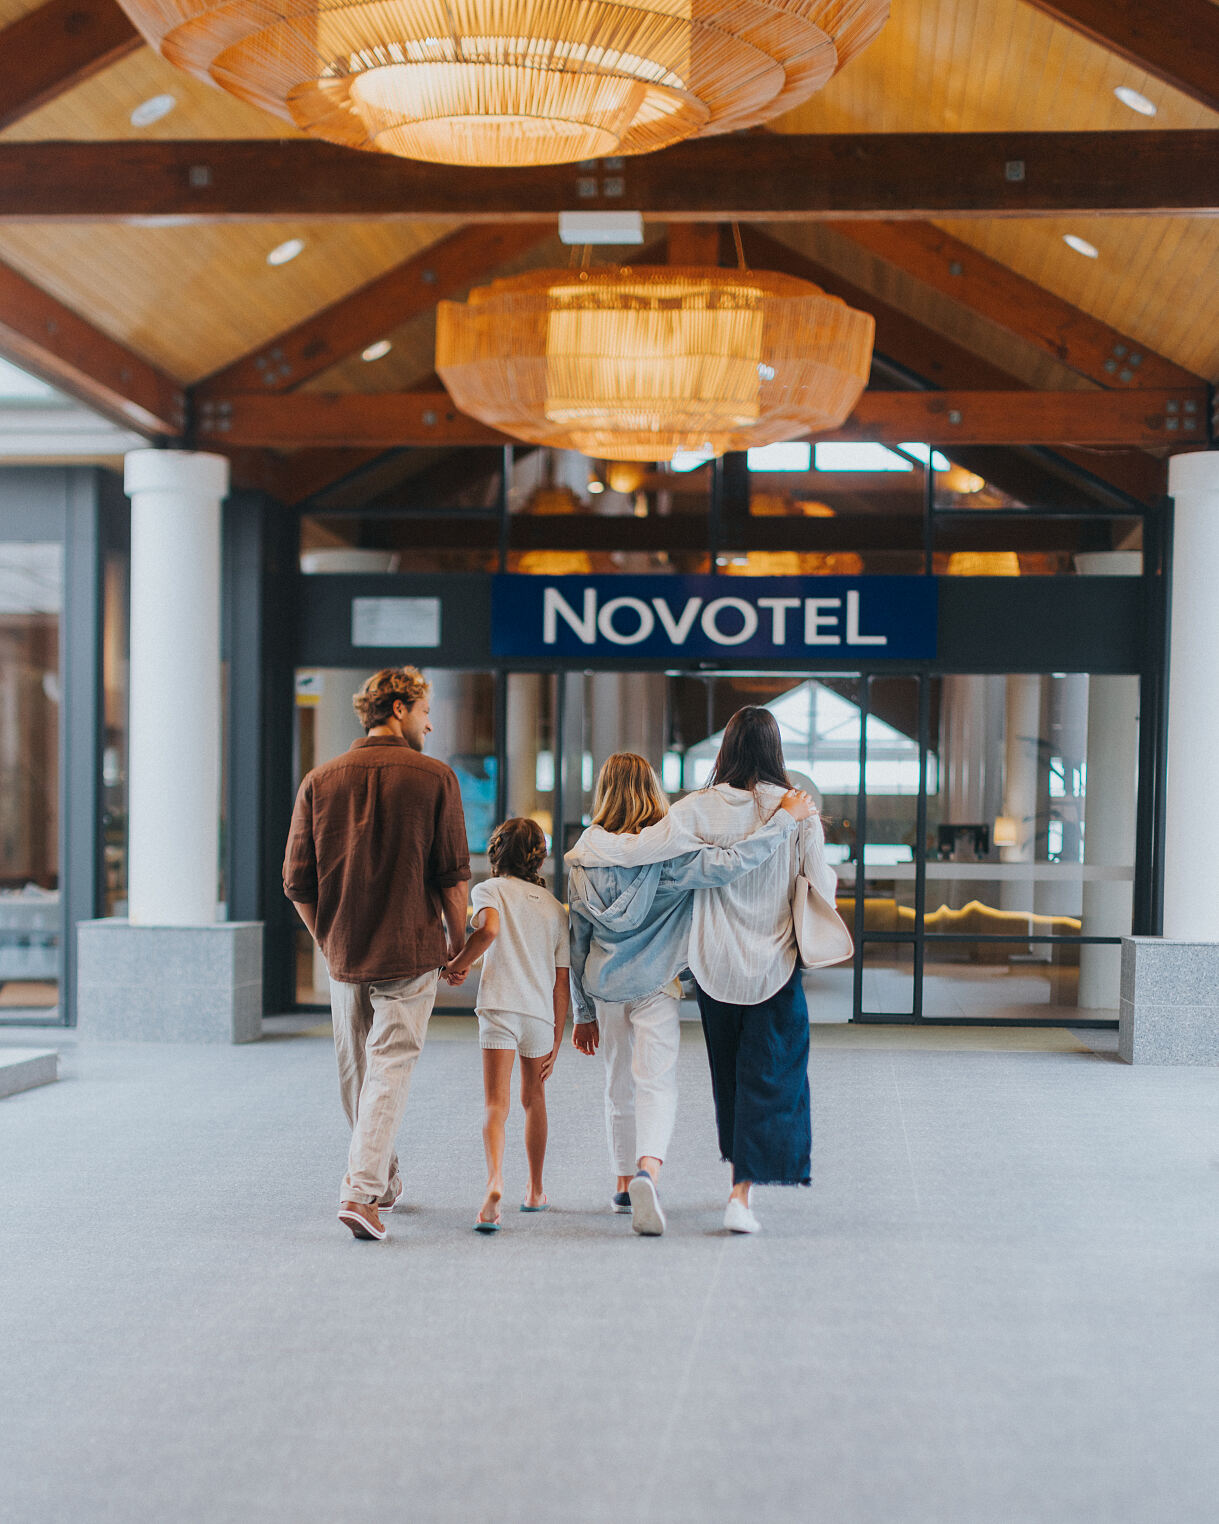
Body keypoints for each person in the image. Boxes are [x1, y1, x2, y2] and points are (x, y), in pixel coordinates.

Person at [566, 753, 813, 1237]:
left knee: (618, 1084)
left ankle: (621, 1184)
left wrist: (583, 1010)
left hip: (606, 986)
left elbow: (576, 938)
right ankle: (647, 1172)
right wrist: (784, 820)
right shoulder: (672, 855)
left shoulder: (583, 858)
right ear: (653, 792)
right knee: (656, 1083)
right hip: (657, 984)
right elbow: (732, 864)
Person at [283, 666, 470, 1242]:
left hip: (346, 952)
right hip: (411, 951)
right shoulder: (435, 778)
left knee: (358, 1074)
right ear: (397, 709)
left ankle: (380, 1178)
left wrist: (325, 937)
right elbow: (452, 877)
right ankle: (362, 1192)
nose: (430, 722)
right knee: (388, 1068)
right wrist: (459, 946)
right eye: (423, 711)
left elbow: (297, 882)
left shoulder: (320, 780)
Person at [671, 707, 838, 1235]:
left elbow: (671, 870)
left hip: (714, 964)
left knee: (731, 1074)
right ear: (775, 750)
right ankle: (741, 1193)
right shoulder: (797, 811)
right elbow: (822, 885)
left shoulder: (694, 808)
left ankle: (738, 1183)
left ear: (726, 748)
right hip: (776, 961)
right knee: (772, 1072)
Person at [444, 818, 570, 1231]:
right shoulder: (554, 908)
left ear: (496, 853)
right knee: (534, 1099)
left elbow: (489, 930)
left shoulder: (489, 890)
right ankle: (535, 1190)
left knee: (495, 1105)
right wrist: (557, 1036)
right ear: (540, 857)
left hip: (499, 1007)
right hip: (539, 1013)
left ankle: (496, 1180)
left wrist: (456, 966)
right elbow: (561, 980)